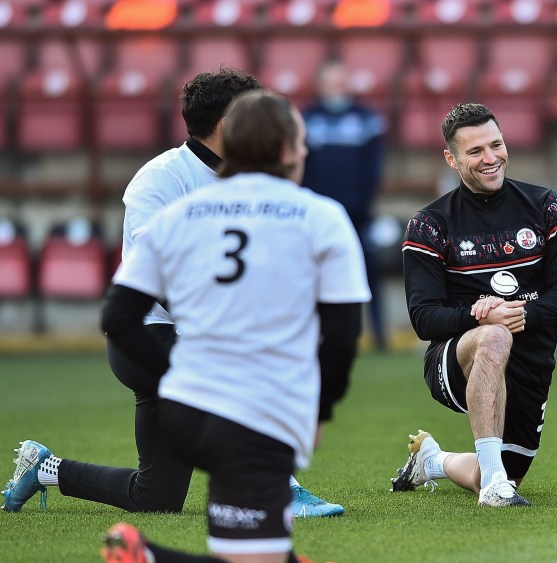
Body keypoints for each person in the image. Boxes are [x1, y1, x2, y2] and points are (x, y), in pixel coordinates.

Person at [2, 69, 346, 519]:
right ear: (228, 123)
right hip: (147, 335)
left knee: (157, 498)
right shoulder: (160, 180)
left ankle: (44, 467)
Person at [92, 89, 370, 563]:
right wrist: (319, 411)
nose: (307, 151)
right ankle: (143, 556)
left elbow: (118, 318)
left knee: (236, 495)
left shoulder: (183, 214)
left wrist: (177, 383)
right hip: (256, 409)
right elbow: (339, 335)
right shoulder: (319, 216)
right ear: (286, 149)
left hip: (190, 411)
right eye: (303, 141)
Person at [389, 103, 557, 507]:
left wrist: (522, 313)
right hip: (455, 359)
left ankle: (436, 460)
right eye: (475, 151)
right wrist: (478, 315)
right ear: (452, 158)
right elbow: (424, 318)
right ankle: (495, 487)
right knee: (493, 337)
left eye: (495, 145)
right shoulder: (429, 223)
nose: (490, 158)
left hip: (530, 363)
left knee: (506, 470)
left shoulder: (547, 208)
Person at [301, 59, 389, 352]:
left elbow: (373, 168)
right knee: (315, 276)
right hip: (317, 216)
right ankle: (317, 336)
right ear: (320, 85)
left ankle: (380, 336)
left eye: (341, 81)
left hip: (358, 213)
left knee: (368, 272)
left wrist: (362, 203)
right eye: (331, 81)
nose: (337, 88)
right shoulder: (307, 119)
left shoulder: (367, 119)